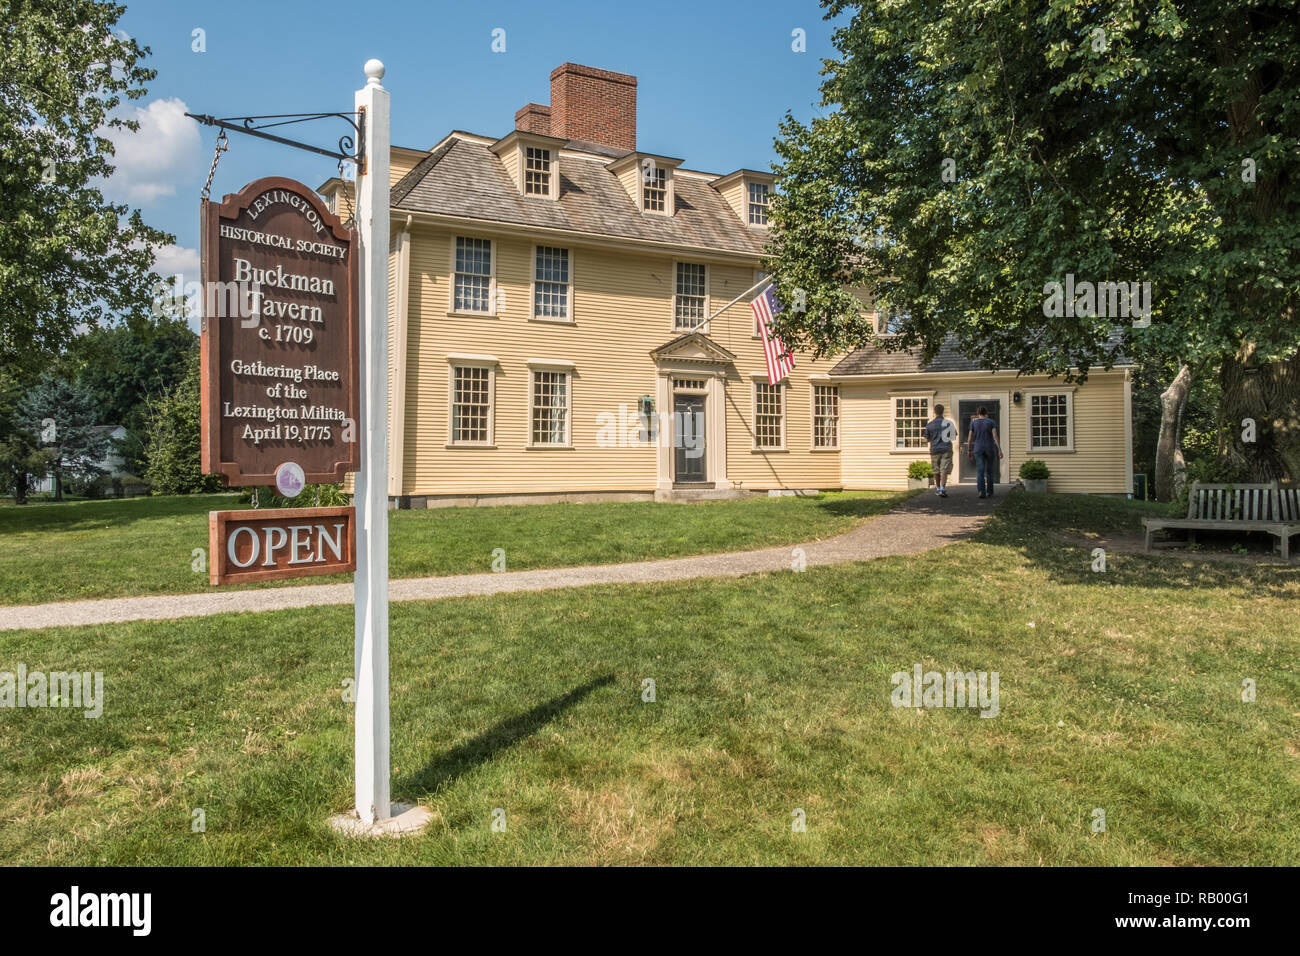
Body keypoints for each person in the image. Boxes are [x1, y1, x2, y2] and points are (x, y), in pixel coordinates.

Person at [966, 406, 1002, 499]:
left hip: (978, 448)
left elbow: (970, 438)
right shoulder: (991, 422)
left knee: (980, 470)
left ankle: (981, 491)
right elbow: (995, 436)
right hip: (990, 448)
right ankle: (990, 492)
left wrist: (969, 450)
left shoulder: (973, 423)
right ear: (986, 413)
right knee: (990, 470)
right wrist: (999, 449)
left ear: (978, 413)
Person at [923, 404, 955, 498]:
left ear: (934, 412)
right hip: (946, 449)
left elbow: (926, 438)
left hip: (935, 449)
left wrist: (932, 438)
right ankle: (942, 489)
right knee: (944, 469)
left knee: (936, 470)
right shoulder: (949, 423)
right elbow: (953, 436)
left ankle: (937, 488)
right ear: (943, 411)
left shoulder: (929, 425)